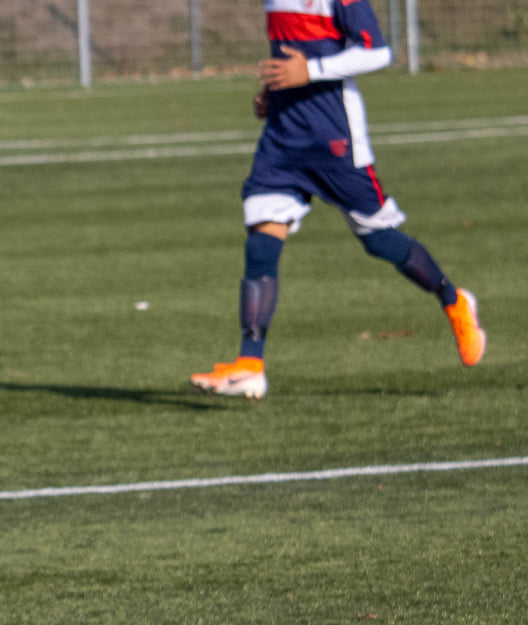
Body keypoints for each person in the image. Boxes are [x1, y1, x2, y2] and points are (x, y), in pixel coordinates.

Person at [190, 0, 485, 400]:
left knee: (379, 239)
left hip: (335, 139)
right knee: (261, 242)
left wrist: (309, 71)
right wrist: (272, 92)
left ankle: (453, 300)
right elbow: (290, 55)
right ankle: (250, 364)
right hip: (283, 139)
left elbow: (377, 52)